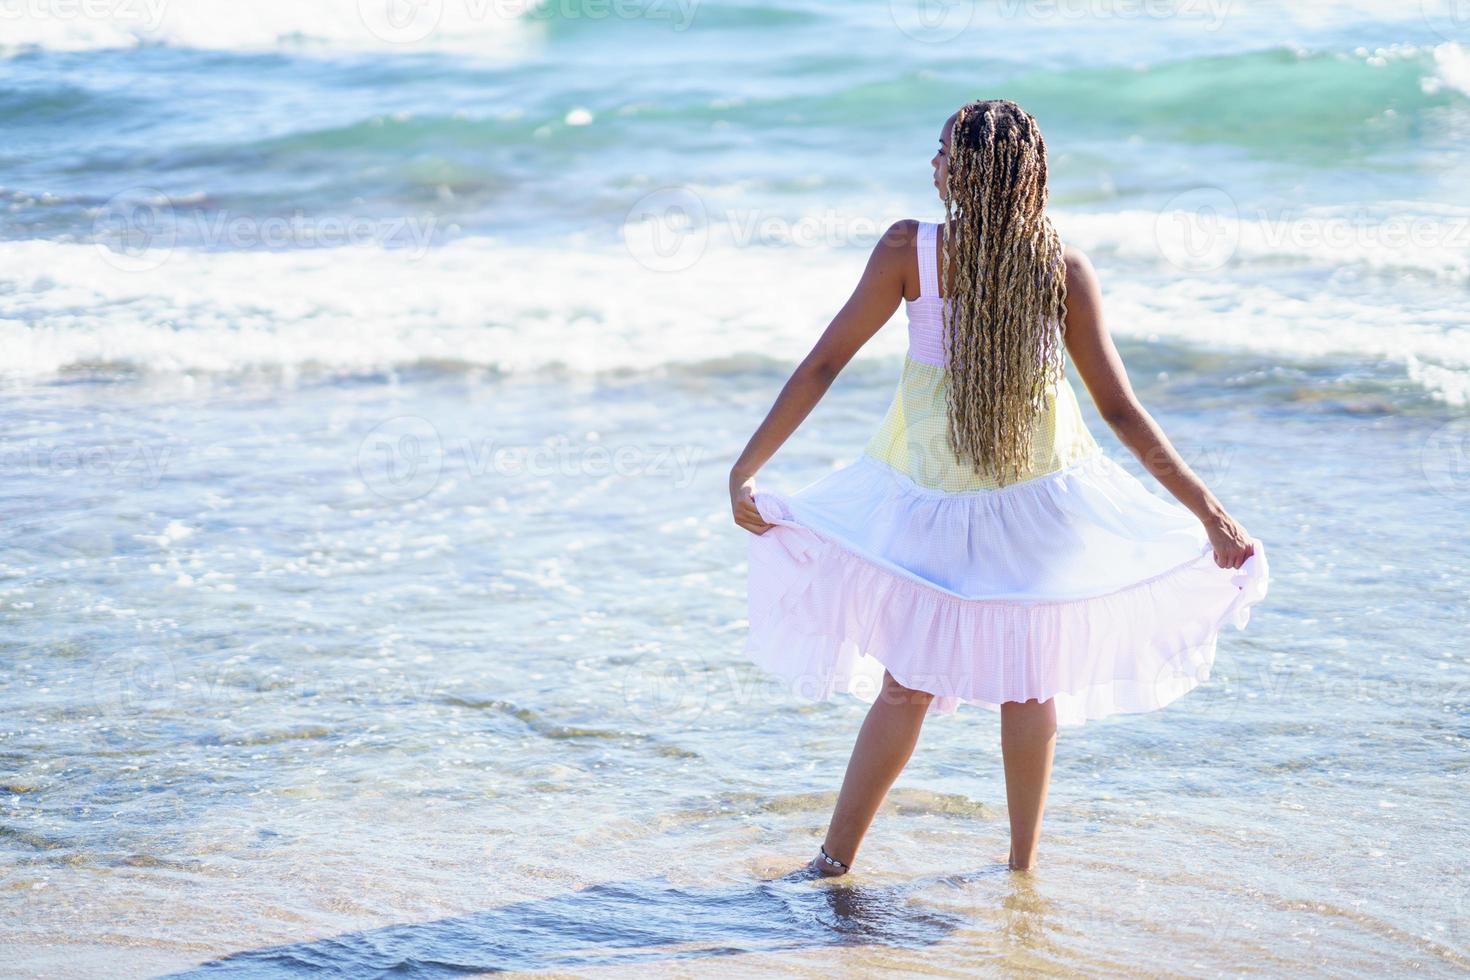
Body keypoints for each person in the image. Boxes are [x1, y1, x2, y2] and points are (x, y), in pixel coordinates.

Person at [728, 98, 1269, 876]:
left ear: (972, 169)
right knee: (1028, 686)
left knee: (906, 685)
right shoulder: (1061, 264)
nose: (934, 162)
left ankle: (833, 861)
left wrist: (748, 466)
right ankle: (1020, 869)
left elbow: (822, 364)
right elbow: (1119, 409)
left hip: (932, 504)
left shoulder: (909, 251)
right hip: (1039, 507)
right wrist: (1210, 516)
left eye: (945, 149)